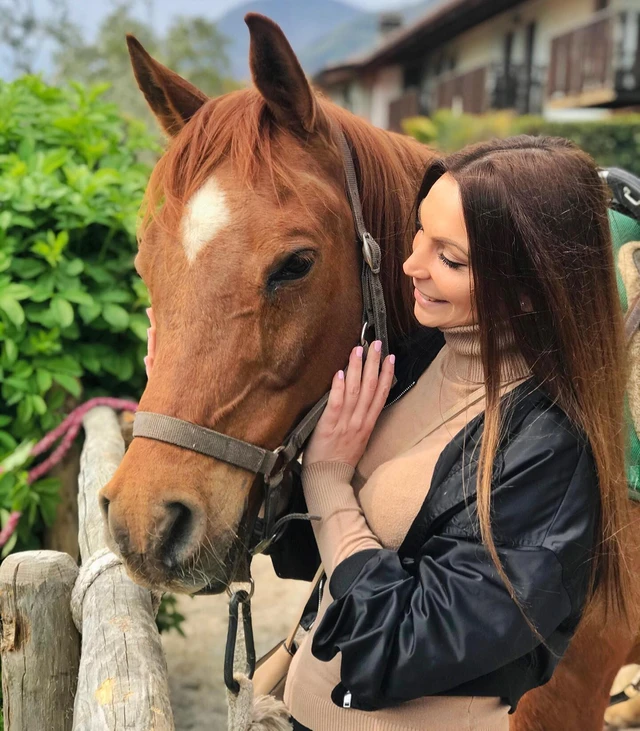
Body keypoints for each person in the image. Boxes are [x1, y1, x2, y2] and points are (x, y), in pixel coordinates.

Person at [146, 135, 631, 730]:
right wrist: (189, 401)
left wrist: (326, 479)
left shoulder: (547, 453)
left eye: (449, 260)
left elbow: (407, 644)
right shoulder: (416, 355)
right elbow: (315, 547)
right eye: (418, 235)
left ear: (530, 291)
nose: (410, 266)